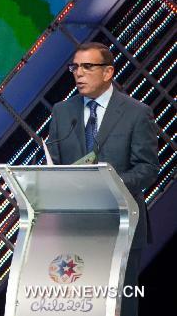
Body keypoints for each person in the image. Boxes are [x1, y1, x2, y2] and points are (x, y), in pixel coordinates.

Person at [47, 42, 158, 316]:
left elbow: (147, 168)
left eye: (87, 66)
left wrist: (109, 185)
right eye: (75, 67)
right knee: (79, 306)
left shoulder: (136, 112)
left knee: (120, 305)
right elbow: (54, 166)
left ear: (108, 72)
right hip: (75, 227)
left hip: (121, 225)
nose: (78, 73)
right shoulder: (62, 112)